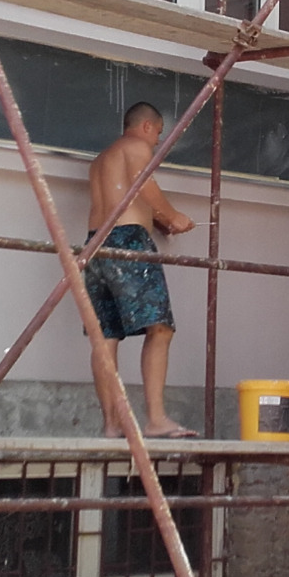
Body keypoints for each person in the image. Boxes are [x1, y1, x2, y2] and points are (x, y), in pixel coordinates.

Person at [84, 102, 199, 439]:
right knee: (160, 329)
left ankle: (111, 424)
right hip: (128, 242)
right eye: (158, 133)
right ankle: (156, 419)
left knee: (106, 336)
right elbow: (141, 183)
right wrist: (173, 215)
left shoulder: (101, 160)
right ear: (147, 126)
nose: (157, 141)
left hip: (95, 245)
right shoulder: (136, 146)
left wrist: (160, 223)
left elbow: (121, 199)